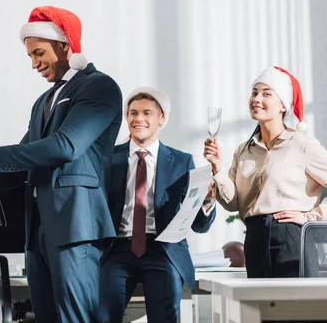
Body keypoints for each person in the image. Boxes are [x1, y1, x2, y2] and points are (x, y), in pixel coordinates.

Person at [0, 6, 123, 322]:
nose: (34, 64)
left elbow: (66, 146)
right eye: (30, 56)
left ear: (64, 45)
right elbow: (25, 162)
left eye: (39, 53)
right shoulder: (43, 102)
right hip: (38, 231)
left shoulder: (99, 86)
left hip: (76, 226)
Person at [98, 87, 216, 323]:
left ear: (161, 119)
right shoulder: (107, 159)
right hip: (117, 249)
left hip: (162, 250)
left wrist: (207, 200)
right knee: (102, 316)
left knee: (165, 317)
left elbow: (199, 226)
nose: (138, 118)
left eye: (146, 113)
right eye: (132, 113)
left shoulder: (182, 162)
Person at [204, 66, 327, 278]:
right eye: (254, 92)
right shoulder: (243, 151)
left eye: (267, 93)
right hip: (254, 237)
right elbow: (233, 203)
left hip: (292, 237)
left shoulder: (303, 145)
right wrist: (217, 169)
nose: (257, 98)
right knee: (261, 307)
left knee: (295, 308)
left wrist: (310, 217)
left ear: (283, 106)